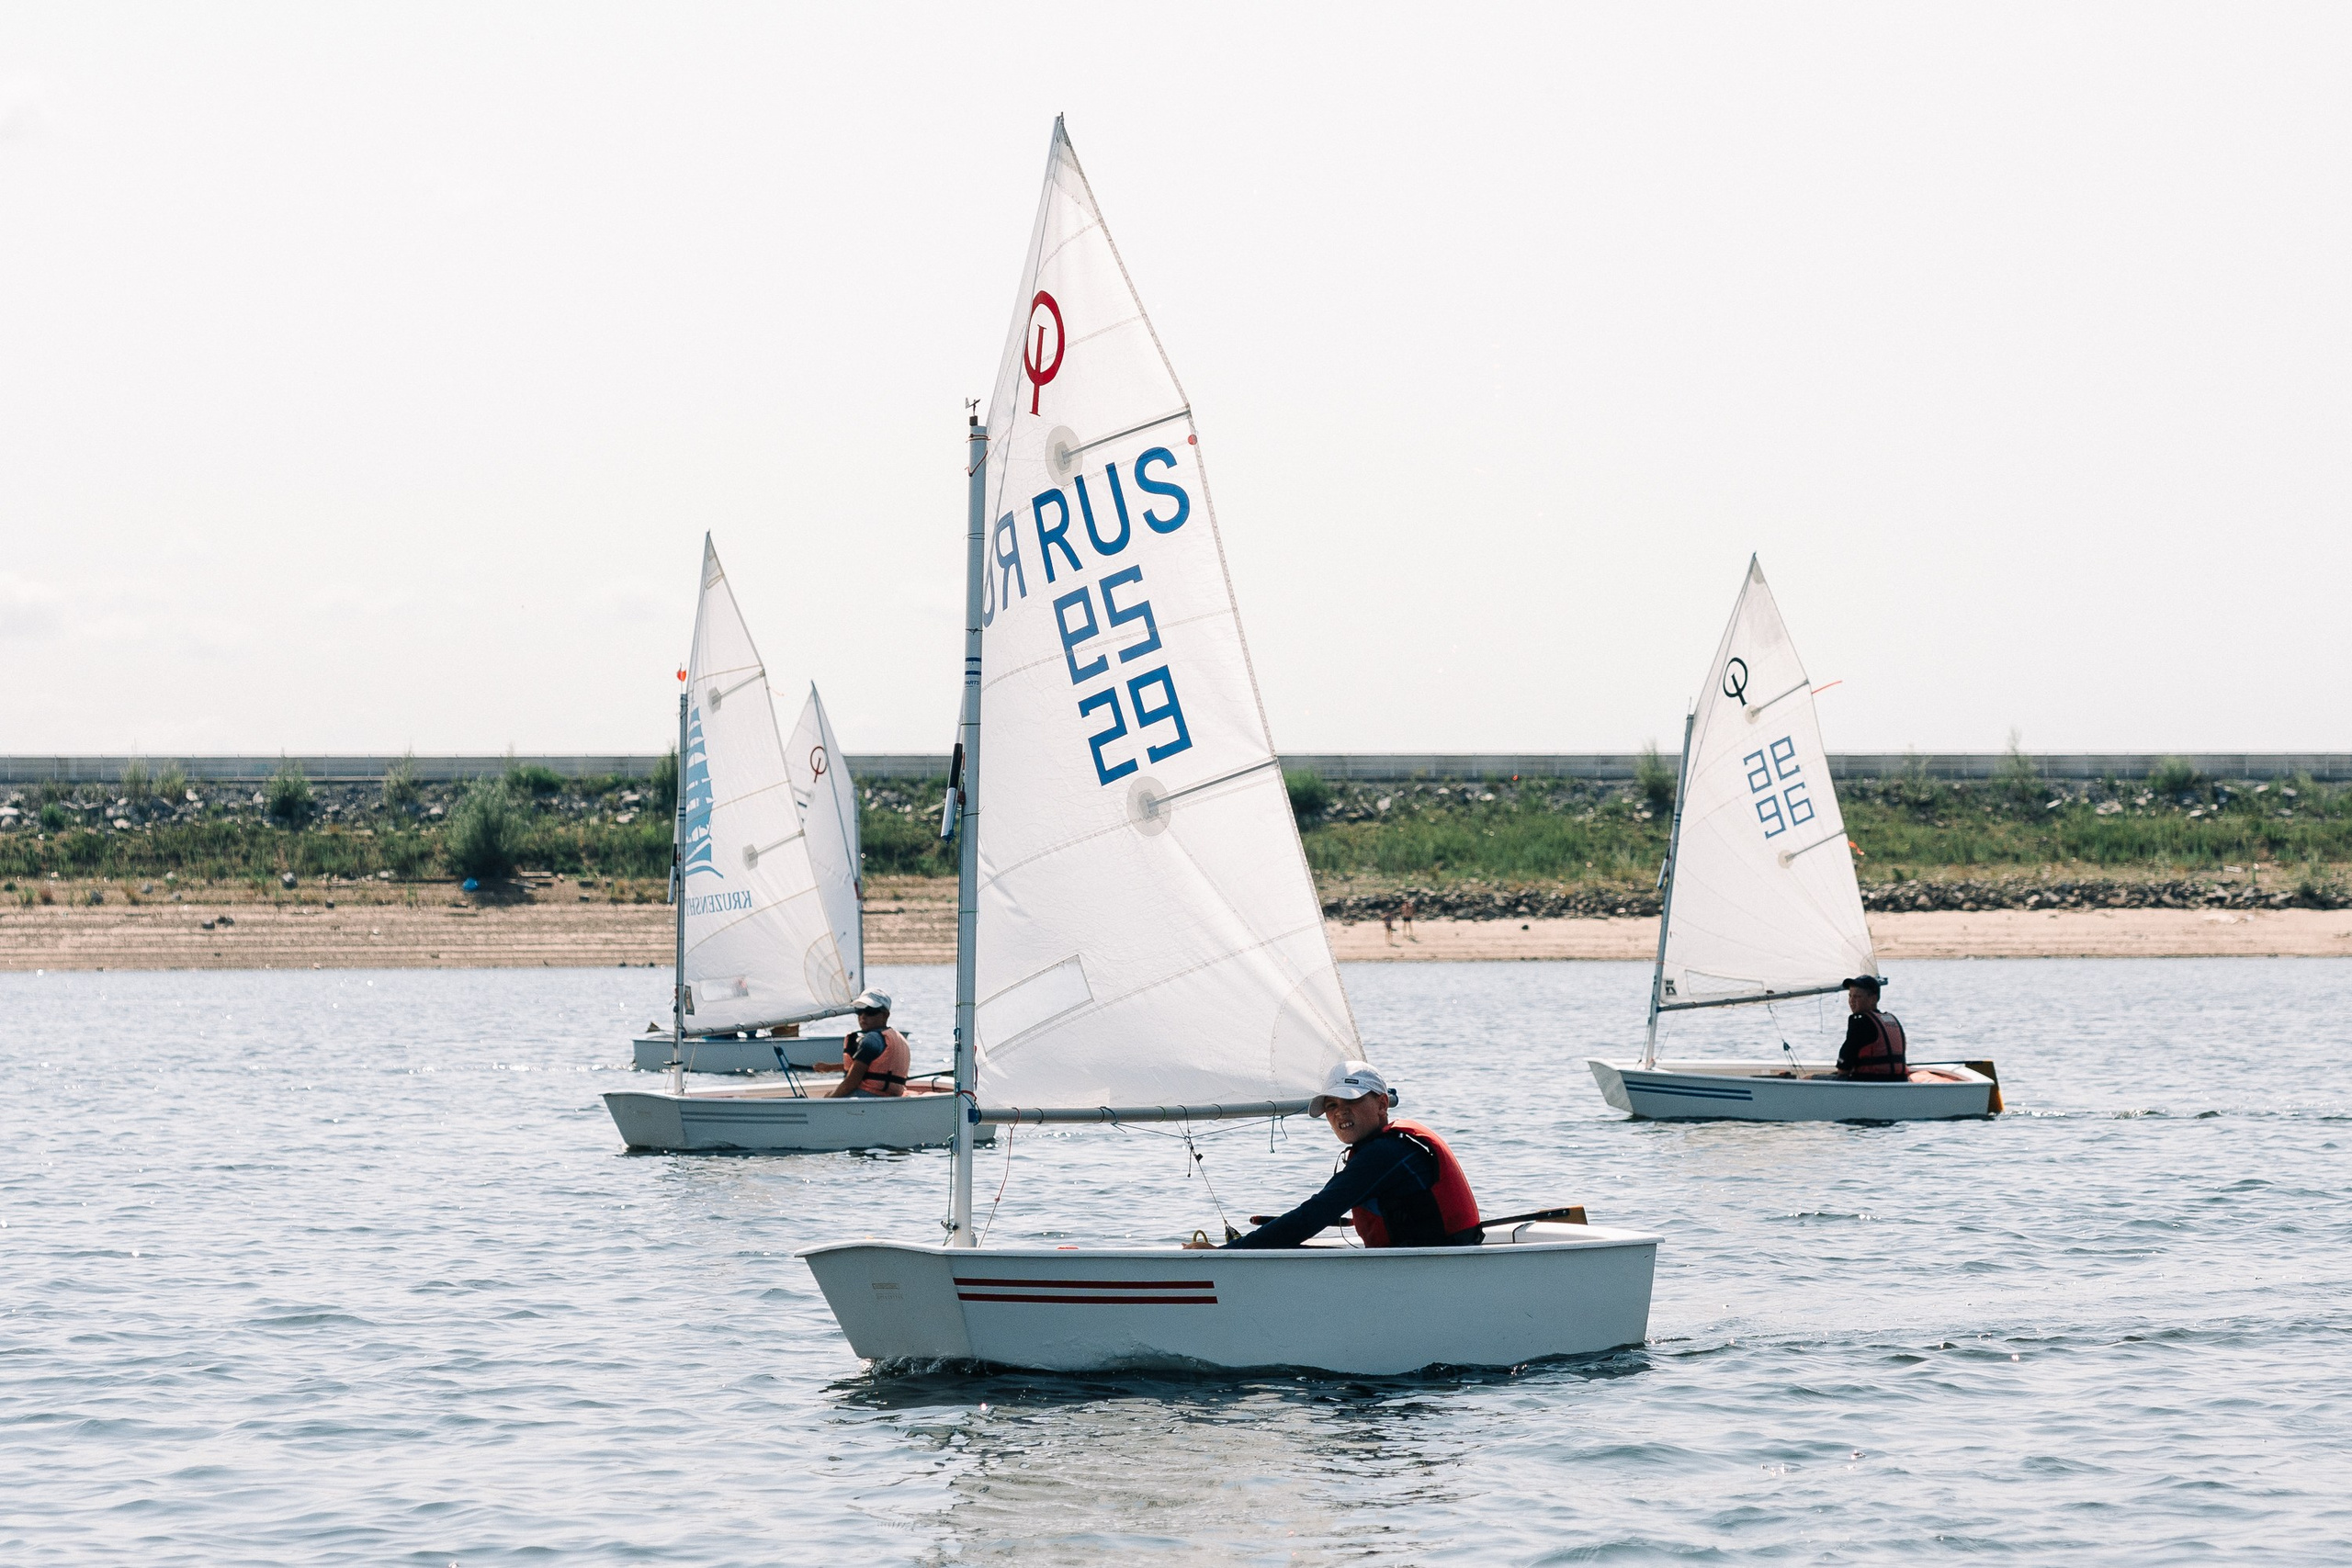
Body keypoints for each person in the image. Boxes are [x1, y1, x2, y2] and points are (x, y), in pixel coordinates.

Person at [1191, 1063, 1482, 1249]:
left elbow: (1315, 1214)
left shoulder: (1386, 1152)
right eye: (1331, 1105)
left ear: (1382, 1104)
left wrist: (1227, 1254)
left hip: (1431, 1270)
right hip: (1427, 1262)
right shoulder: (1384, 1147)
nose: (1340, 1112)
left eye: (1351, 1101)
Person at [803, 989, 912, 1097]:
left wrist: (828, 1100)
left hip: (868, 1096)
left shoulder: (872, 1040)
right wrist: (830, 1068)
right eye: (859, 1011)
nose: (863, 1016)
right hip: (889, 1096)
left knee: (828, 1096)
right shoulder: (898, 1037)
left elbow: (851, 1083)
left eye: (870, 1011)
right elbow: (869, 1067)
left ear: (885, 1015)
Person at [1833, 975, 1907, 1080]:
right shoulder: (1891, 1019)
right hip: (1898, 1081)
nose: (1852, 1001)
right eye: (1850, 996)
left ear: (1873, 999)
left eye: (1857, 997)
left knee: (1809, 1078)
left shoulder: (1860, 1021)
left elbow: (1844, 1065)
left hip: (1869, 1081)